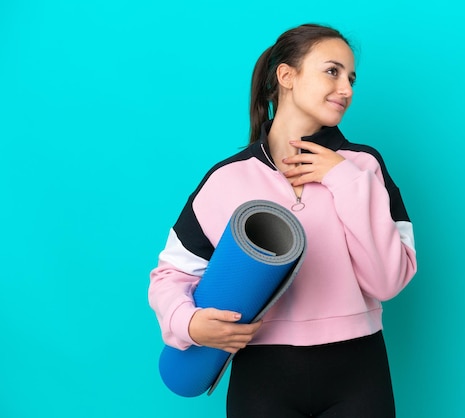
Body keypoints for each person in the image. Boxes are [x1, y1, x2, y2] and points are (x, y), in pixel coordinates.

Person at [149, 23, 417, 417]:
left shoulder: (364, 167)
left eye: (351, 78)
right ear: (286, 76)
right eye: (332, 71)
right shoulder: (227, 178)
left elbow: (388, 281)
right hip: (261, 377)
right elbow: (171, 273)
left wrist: (342, 178)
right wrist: (188, 323)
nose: (347, 89)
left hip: (359, 370)